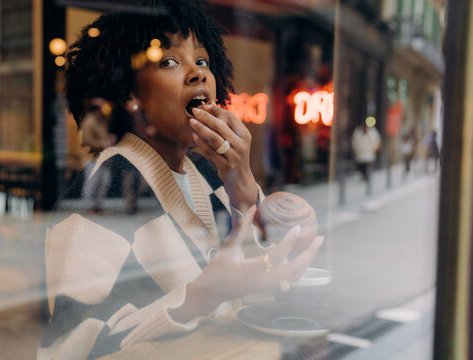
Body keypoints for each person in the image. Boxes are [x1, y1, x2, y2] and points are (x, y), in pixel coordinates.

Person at [38, 1, 323, 358]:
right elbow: (69, 350)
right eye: (170, 61)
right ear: (130, 95)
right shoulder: (103, 191)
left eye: (202, 61)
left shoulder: (205, 171)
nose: (197, 73)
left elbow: (263, 274)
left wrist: (243, 180)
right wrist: (201, 296)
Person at [351, 123, 381, 194]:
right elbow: (355, 142)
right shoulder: (358, 133)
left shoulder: (372, 132)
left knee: (367, 166)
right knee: (362, 166)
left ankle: (367, 177)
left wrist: (375, 149)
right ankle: (364, 176)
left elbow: (376, 142)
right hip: (361, 154)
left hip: (369, 153)